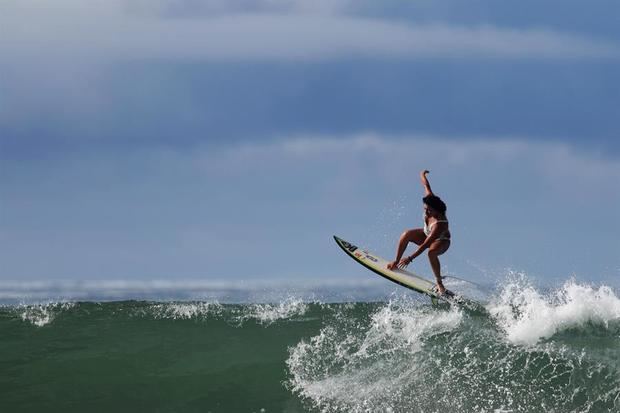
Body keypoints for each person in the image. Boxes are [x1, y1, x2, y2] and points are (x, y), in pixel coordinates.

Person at [387, 170, 451, 295]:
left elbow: (427, 244)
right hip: (426, 234)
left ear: (437, 211)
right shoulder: (430, 199)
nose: (426, 212)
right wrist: (422, 174)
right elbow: (426, 185)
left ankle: (439, 283)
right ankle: (395, 261)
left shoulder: (440, 223)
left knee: (431, 252)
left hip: (441, 241)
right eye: (425, 209)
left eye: (429, 211)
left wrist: (410, 258)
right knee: (406, 234)